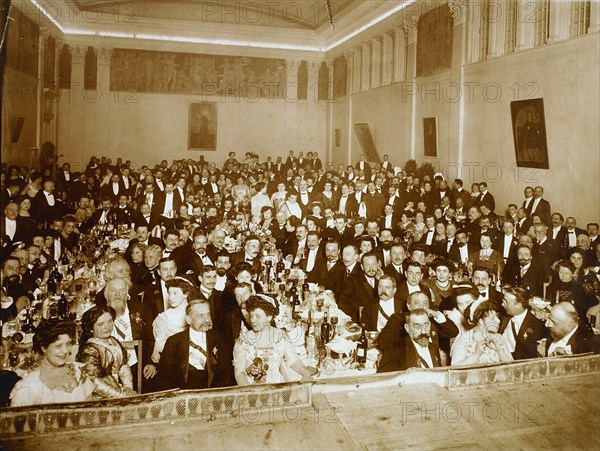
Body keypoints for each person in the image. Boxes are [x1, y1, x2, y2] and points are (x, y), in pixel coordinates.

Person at [233, 295, 315, 385]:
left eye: (258, 316)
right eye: (251, 316)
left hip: (277, 390)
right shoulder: (244, 340)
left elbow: (292, 359)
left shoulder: (279, 336)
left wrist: (304, 373)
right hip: (252, 392)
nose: (253, 320)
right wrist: (249, 392)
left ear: (269, 317)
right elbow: (239, 372)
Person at [10, 320, 95, 406]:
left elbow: (92, 412)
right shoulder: (28, 386)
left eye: (68, 343)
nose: (65, 350)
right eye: (58, 346)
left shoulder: (78, 372)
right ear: (44, 348)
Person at [156, 300, 233, 391]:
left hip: (212, 396)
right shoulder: (174, 342)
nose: (207, 320)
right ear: (189, 319)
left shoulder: (220, 340)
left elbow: (226, 376)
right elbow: (164, 378)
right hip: (183, 397)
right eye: (201, 316)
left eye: (208, 314)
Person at [77, 305, 136, 398]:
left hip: (118, 391)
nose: (107, 327)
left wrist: (128, 387)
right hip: (98, 397)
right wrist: (120, 396)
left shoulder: (114, 342)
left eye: (110, 321)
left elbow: (123, 366)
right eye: (101, 324)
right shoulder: (89, 350)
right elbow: (95, 382)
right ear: (91, 329)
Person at [377, 309, 442, 372]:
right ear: (407, 328)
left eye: (426, 325)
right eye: (417, 326)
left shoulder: (434, 348)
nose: (423, 331)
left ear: (430, 324)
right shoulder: (394, 351)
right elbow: (382, 379)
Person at [151, 278, 196, 365]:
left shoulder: (196, 314)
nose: (171, 297)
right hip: (173, 363)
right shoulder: (163, 319)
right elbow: (160, 347)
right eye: (170, 294)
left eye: (175, 293)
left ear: (186, 294)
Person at [499, 286, 547, 360]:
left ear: (519, 305)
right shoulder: (503, 317)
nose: (502, 304)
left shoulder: (537, 325)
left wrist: (544, 342)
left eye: (506, 302)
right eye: (503, 301)